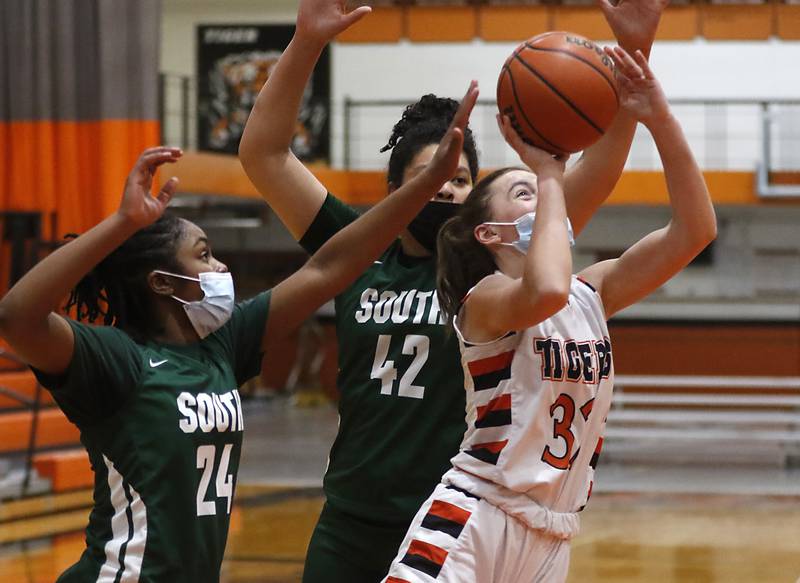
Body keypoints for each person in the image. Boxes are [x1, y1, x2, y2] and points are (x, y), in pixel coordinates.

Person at [238, 0, 668, 580]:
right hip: (352, 521)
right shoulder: (355, 250)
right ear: (394, 191)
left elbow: (593, 174)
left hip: (454, 520)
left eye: (459, 179)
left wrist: (634, 54)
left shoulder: (496, 266)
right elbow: (263, 153)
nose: (445, 189)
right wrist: (307, 41)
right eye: (429, 177)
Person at [0, 84, 475, 583]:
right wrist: (121, 223)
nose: (221, 266)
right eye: (204, 255)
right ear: (162, 282)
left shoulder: (224, 346)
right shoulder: (117, 359)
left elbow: (330, 266)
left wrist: (426, 187)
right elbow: (17, 316)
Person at [382, 46, 716, 583]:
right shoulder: (484, 300)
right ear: (489, 233)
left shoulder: (593, 292)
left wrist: (657, 114)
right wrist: (551, 175)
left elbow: (695, 230)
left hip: (553, 535)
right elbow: (545, 289)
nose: (541, 191)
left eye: (541, 188)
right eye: (523, 191)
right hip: (477, 517)